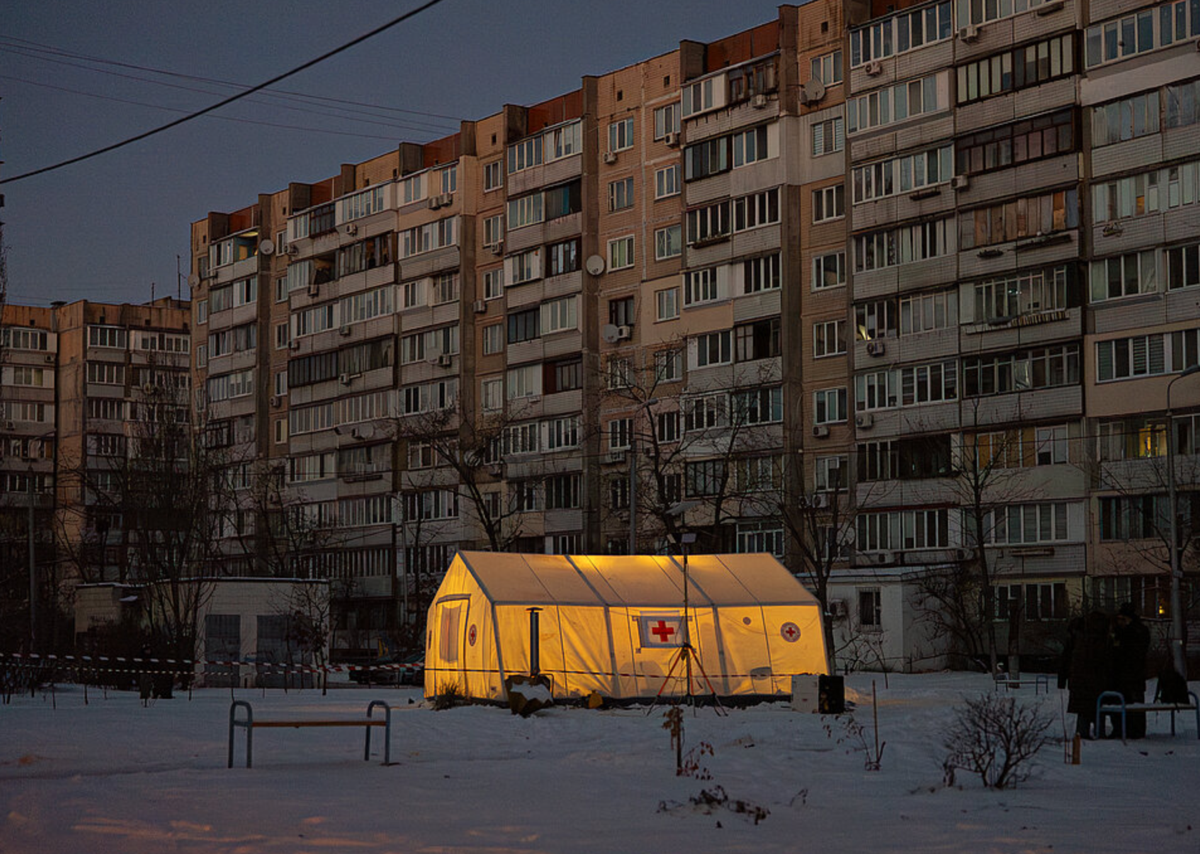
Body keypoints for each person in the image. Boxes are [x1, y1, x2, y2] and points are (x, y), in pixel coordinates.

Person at [1066, 612, 1111, 740]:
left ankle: (1083, 733)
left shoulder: (1081, 639)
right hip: (1095, 681)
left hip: (1081, 682)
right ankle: (1096, 732)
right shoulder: (1099, 640)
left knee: (1084, 711)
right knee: (1097, 708)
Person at [1110, 602, 1151, 738]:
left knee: (1131, 704)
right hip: (1130, 675)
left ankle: (1131, 731)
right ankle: (1130, 730)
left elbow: (1129, 653)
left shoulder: (1132, 632)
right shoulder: (1138, 631)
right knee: (1130, 704)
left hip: (1130, 675)